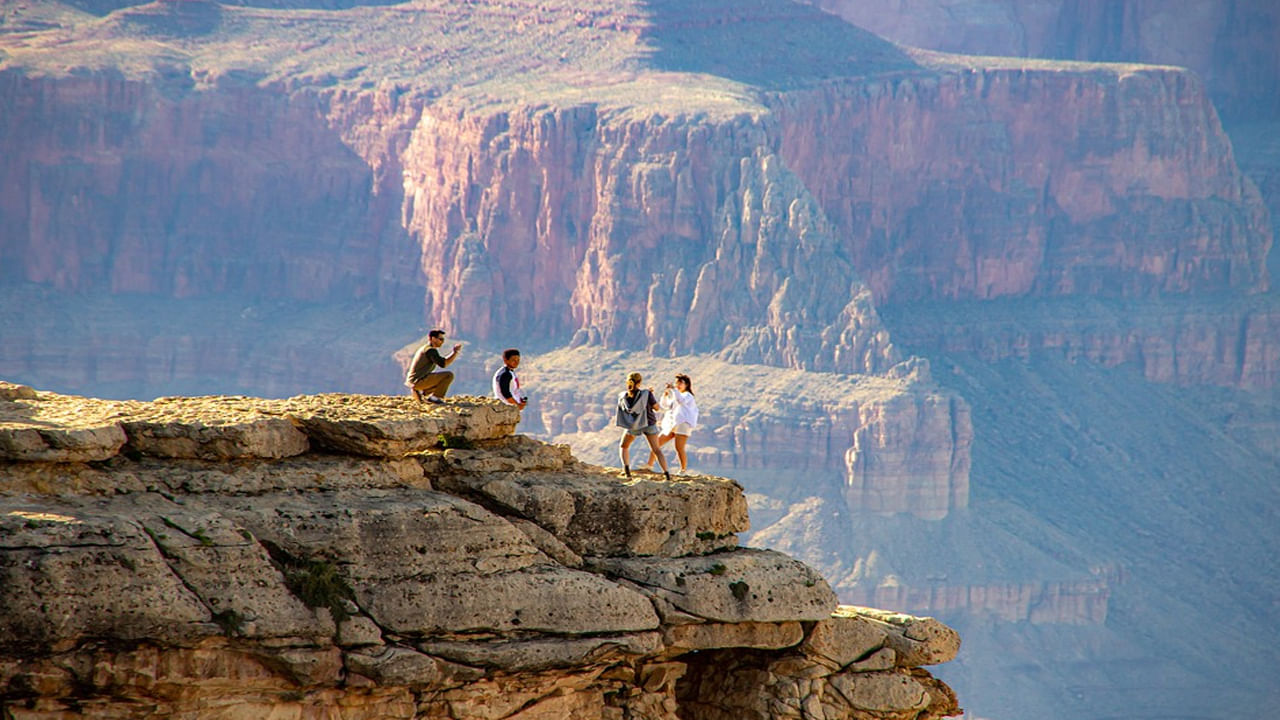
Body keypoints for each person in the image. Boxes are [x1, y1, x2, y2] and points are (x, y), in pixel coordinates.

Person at [615, 372, 670, 481]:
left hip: (634, 425)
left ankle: (627, 471)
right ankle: (667, 474)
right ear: (640, 382)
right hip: (649, 423)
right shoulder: (647, 394)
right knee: (656, 450)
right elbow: (657, 408)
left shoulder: (623, 396)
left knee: (624, 446)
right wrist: (649, 395)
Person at [643, 373, 699, 475]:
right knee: (657, 443)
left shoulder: (688, 395)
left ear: (686, 384)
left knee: (679, 448)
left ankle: (683, 470)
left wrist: (674, 390)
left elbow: (681, 401)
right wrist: (664, 396)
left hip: (683, 424)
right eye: (677, 382)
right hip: (672, 424)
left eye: (680, 383)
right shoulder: (676, 394)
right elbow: (665, 406)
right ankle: (649, 465)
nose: (678, 384)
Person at [405, 329, 462, 404]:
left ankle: (421, 393)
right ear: (433, 339)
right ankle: (435, 398)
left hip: (414, 381)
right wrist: (455, 352)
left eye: (443, 339)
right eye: (440, 339)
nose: (442, 342)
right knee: (448, 375)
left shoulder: (425, 348)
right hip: (417, 381)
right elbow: (443, 364)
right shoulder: (430, 350)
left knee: (440, 381)